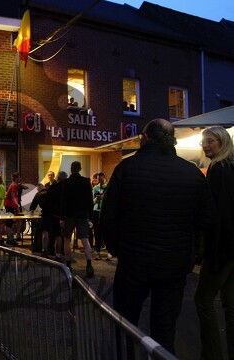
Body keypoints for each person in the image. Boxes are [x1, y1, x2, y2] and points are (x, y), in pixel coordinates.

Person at [100, 119, 215, 355]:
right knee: (164, 330)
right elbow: (207, 220)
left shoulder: (127, 168)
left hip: (133, 262)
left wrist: (116, 249)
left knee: (126, 325)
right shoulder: (191, 173)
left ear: (146, 137)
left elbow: (108, 216)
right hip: (173, 263)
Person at [194, 125, 234, 360]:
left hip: (222, 248)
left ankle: (212, 354)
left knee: (203, 299)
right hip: (232, 249)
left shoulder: (218, 168)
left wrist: (213, 252)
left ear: (222, 142)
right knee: (231, 305)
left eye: (211, 141)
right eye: (203, 142)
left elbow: (219, 216)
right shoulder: (230, 167)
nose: (205, 146)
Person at [60, 161, 94, 277]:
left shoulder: (66, 183)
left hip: (69, 215)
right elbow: (90, 200)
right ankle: (89, 265)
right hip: (82, 214)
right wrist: (89, 216)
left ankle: (68, 264)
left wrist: (62, 217)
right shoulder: (85, 182)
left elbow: (63, 201)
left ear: (71, 169)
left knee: (67, 239)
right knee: (85, 240)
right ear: (80, 168)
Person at [92, 172, 109, 261]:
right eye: (99, 179)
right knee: (97, 233)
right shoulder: (95, 188)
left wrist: (104, 198)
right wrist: (96, 198)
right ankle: (97, 253)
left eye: (101, 179)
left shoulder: (108, 188)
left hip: (105, 212)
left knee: (106, 231)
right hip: (96, 211)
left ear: (104, 178)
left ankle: (109, 253)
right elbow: (92, 202)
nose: (100, 181)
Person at [29, 183, 48, 253]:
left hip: (45, 214)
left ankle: (41, 248)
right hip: (55, 215)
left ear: (38, 188)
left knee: (42, 231)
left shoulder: (38, 194)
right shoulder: (50, 192)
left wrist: (31, 212)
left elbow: (32, 206)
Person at [4, 172, 21, 246]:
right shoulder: (13, 186)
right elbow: (12, 196)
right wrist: (17, 204)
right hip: (9, 206)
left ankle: (10, 238)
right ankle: (9, 239)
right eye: (19, 177)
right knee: (9, 223)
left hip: (10, 206)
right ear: (16, 178)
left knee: (10, 223)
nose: (20, 178)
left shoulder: (14, 185)